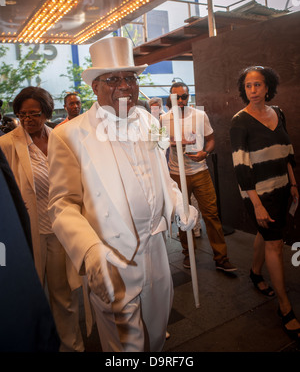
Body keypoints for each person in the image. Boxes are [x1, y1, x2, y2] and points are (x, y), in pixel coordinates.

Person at [47, 36, 197, 352]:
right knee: (124, 344)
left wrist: (179, 203)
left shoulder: (147, 119)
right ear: (94, 87)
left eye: (130, 77)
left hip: (157, 247)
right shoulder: (68, 135)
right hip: (110, 256)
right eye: (113, 78)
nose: (125, 85)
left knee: (156, 334)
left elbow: (162, 176)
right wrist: (88, 251)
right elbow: (62, 205)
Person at [0, 86, 84, 352]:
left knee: (64, 295)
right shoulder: (7, 143)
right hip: (29, 232)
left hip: (59, 229)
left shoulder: (60, 138)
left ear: (47, 113)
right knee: (30, 295)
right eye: (22, 115)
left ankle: (72, 346)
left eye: (34, 114)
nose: (28, 120)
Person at [230, 65, 300, 341]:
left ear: (268, 87)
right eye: (248, 86)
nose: (253, 90)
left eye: (258, 84)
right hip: (257, 193)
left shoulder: (278, 112)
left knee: (266, 233)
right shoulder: (239, 121)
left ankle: (255, 272)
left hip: (283, 188)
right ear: (243, 89)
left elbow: (286, 151)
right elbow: (240, 167)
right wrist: (256, 204)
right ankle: (285, 307)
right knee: (274, 242)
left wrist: (293, 183)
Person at [161, 81, 236, 272]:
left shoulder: (200, 115)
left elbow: (211, 140)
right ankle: (188, 254)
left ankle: (221, 258)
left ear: (189, 97)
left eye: (184, 96)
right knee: (183, 216)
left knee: (211, 214)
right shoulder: (164, 119)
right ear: (170, 98)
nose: (180, 100)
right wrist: (173, 142)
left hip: (200, 171)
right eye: (175, 97)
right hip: (177, 174)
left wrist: (205, 153)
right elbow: (158, 143)